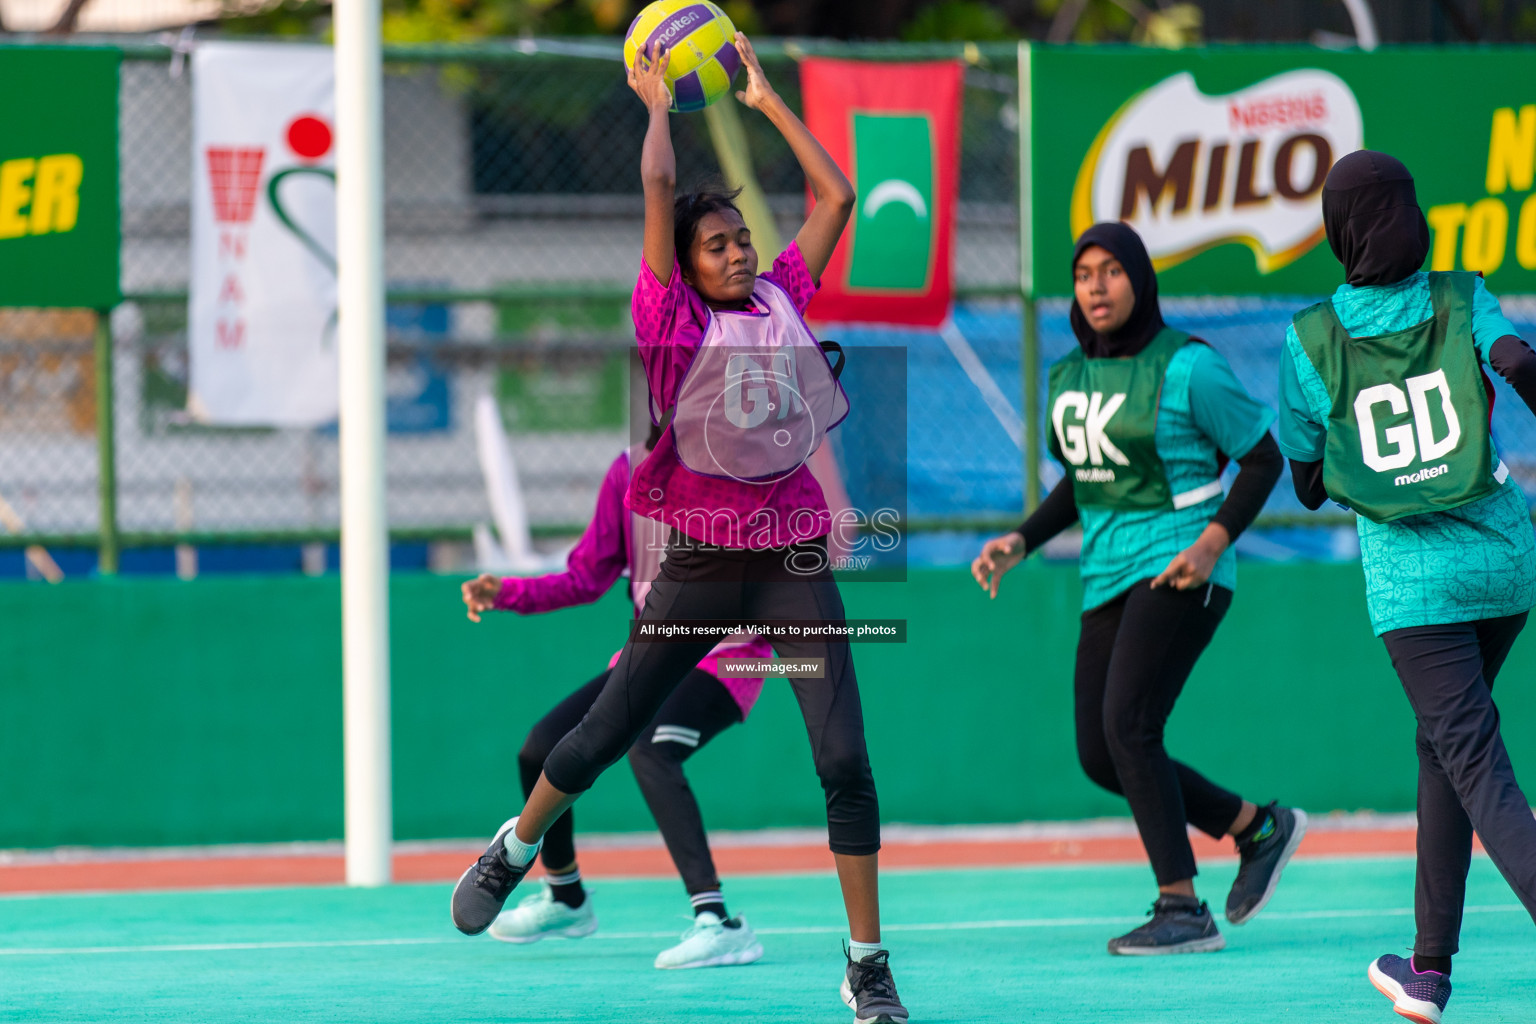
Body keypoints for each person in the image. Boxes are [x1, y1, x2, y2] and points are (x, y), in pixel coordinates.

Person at [451, 33, 908, 1024]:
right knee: (604, 732)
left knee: (844, 760)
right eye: (718, 245)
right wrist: (657, 102)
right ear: (685, 269)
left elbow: (837, 199)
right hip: (702, 566)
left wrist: (767, 100)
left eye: (742, 238)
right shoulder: (674, 325)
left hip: (789, 562)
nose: (738, 250)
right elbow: (660, 191)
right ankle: (518, 845)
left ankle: (867, 964)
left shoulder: (784, 297)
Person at [971, 221, 1305, 956]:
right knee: (1100, 751)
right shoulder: (1068, 378)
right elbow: (1084, 480)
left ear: (1140, 280)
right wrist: (1022, 539)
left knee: (1129, 725)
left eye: (1111, 271)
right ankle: (1257, 827)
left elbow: (1260, 458)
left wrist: (1212, 542)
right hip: (1107, 573)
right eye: (1084, 272)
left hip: (1182, 565)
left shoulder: (1188, 368)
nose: (1095, 285)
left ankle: (1182, 908)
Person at [1277, 150, 1536, 1024]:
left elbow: (1308, 480)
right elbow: (1518, 362)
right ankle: (1428, 969)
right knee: (1444, 750)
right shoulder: (1462, 296)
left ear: (1337, 228)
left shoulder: (1311, 337)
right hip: (1504, 562)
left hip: (1416, 590)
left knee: (1475, 760)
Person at [460, 433, 774, 970]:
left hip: (727, 660)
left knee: (651, 748)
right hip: (647, 657)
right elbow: (586, 576)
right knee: (540, 749)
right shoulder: (627, 472)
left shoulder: (739, 462)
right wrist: (509, 592)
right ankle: (567, 898)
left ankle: (717, 921)